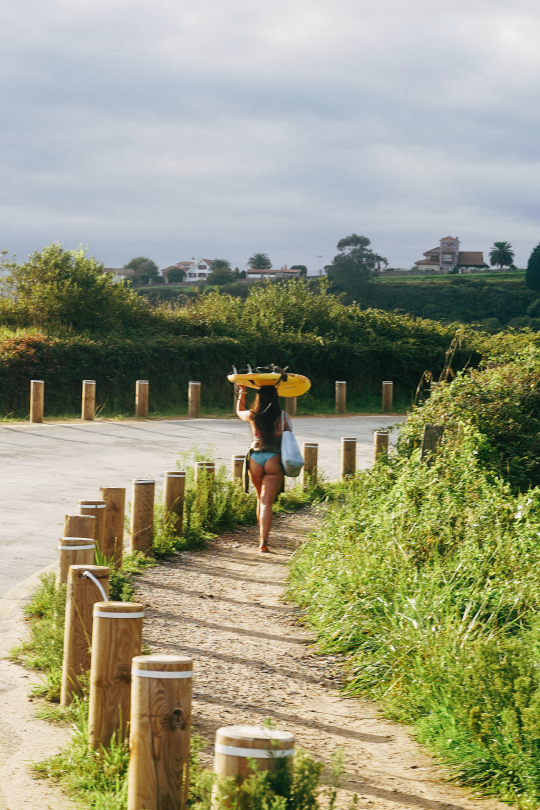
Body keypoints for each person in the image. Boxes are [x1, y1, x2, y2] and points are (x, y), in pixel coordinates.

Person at [236, 384, 289, 552]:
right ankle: (263, 542)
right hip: (274, 458)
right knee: (267, 503)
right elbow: (289, 437)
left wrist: (242, 391)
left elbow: (238, 411)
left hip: (255, 458)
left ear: (258, 398)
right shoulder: (281, 417)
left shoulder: (253, 415)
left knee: (260, 499)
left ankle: (261, 541)